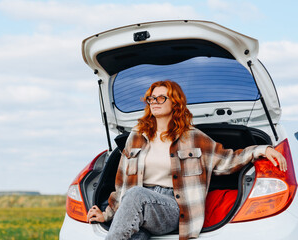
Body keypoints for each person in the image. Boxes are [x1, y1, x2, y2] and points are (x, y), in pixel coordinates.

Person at [87, 80, 287, 240]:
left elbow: (228, 160)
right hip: (138, 206)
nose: (154, 102)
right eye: (151, 98)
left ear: (175, 102)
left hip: (173, 207)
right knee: (135, 232)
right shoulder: (137, 136)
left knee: (136, 195)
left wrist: (262, 149)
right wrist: (108, 214)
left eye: (161, 97)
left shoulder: (192, 137)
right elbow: (122, 183)